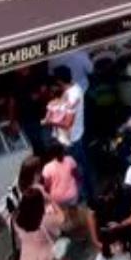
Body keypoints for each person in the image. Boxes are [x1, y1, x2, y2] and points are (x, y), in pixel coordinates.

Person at [43, 66, 94, 203]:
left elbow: (67, 123)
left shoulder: (72, 95)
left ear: (59, 81)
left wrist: (50, 122)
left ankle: (85, 199)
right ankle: (88, 196)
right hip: (74, 136)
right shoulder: (75, 89)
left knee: (77, 171)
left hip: (71, 140)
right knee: (81, 168)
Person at [87, 183, 131, 260]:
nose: (103, 199)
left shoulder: (129, 192)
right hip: (107, 236)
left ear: (112, 192)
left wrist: (122, 224)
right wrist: (95, 239)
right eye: (101, 197)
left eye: (105, 196)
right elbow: (90, 216)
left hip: (130, 235)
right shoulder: (96, 197)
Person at [14, 186, 67, 260]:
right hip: (45, 256)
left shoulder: (16, 221)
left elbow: (19, 239)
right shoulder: (44, 220)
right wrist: (51, 200)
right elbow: (62, 218)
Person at [42, 143, 81, 225]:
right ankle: (76, 225)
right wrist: (77, 185)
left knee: (62, 214)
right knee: (74, 211)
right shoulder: (70, 160)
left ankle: (65, 227)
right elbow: (76, 175)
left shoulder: (47, 168)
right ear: (63, 151)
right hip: (72, 194)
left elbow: (47, 186)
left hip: (57, 197)